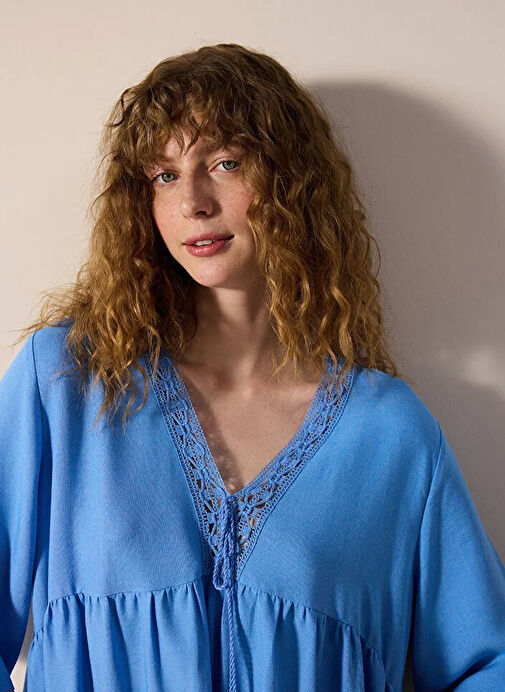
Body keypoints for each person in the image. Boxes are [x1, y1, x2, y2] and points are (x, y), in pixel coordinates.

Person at [1, 42, 504, 692]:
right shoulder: (66, 385)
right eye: (164, 176)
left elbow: (487, 663)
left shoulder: (390, 436)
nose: (193, 202)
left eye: (225, 163)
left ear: (291, 181)